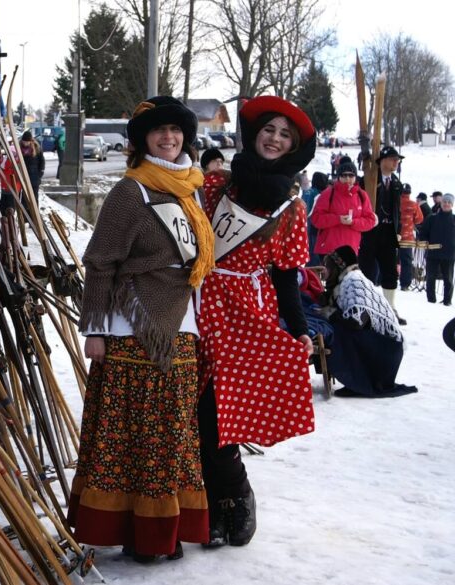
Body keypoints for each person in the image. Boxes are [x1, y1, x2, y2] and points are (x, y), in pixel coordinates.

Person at [70, 96, 214, 562]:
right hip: (133, 326)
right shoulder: (130, 192)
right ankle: (138, 533)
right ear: (142, 140)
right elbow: (100, 262)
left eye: (175, 130)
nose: (168, 138)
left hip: (181, 323)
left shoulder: (187, 189)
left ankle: (164, 528)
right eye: (159, 131)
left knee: (172, 433)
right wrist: (93, 329)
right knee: (134, 434)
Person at [198, 96, 317, 549]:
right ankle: (207, 502)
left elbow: (287, 276)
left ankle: (236, 493)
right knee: (193, 404)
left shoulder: (292, 208)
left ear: (293, 148)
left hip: (248, 311)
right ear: (255, 134)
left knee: (217, 411)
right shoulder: (214, 187)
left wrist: (300, 327)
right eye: (270, 129)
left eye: (286, 135)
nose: (275, 138)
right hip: (200, 301)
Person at [317, 246, 417, 398]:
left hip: (387, 352)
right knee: (336, 327)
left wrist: (331, 313)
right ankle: (358, 381)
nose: (325, 272)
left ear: (339, 265)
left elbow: (358, 322)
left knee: (339, 330)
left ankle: (363, 381)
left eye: (328, 267)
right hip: (384, 349)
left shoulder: (353, 281)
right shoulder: (346, 281)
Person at [358, 145, 406, 324]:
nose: (396, 163)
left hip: (388, 232)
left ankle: (390, 308)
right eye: (393, 159)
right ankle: (366, 306)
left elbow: (397, 210)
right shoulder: (369, 180)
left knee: (390, 272)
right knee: (367, 270)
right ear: (383, 161)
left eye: (397, 160)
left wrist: (398, 230)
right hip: (370, 232)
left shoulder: (396, 183)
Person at [310, 156, 376, 261]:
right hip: (329, 249)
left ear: (355, 177)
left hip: (352, 249)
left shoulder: (362, 195)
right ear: (338, 177)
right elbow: (316, 219)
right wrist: (338, 219)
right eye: (344, 175)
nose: (347, 179)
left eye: (351, 175)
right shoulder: (328, 193)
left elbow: (370, 220)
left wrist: (353, 222)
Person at [419, 193, 455, 305]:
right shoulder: (432, 218)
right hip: (433, 253)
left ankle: (447, 301)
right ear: (441, 203)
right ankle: (431, 300)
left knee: (448, 280)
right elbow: (423, 233)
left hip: (449, 254)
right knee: (430, 278)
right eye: (445, 202)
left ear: (452, 205)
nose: (446, 204)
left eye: (449, 202)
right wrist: (425, 241)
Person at [398, 183, 424, 291]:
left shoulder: (395, 202)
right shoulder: (414, 205)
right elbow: (419, 219)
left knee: (388, 258)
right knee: (406, 261)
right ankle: (405, 284)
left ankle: (381, 280)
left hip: (393, 235)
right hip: (407, 237)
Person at [304, 171, 329, 266]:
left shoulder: (307, 191)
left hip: (305, 225)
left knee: (309, 250)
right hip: (314, 226)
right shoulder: (318, 194)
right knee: (314, 252)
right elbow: (312, 211)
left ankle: (308, 272)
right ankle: (313, 273)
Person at [20, 130, 45, 200]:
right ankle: (25, 210)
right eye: (24, 141)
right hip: (24, 176)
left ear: (30, 141)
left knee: (34, 197)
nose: (25, 143)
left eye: (27, 142)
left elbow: (42, 161)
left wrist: (41, 172)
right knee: (25, 197)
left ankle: (34, 210)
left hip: (35, 176)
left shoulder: (37, 148)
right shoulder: (19, 148)